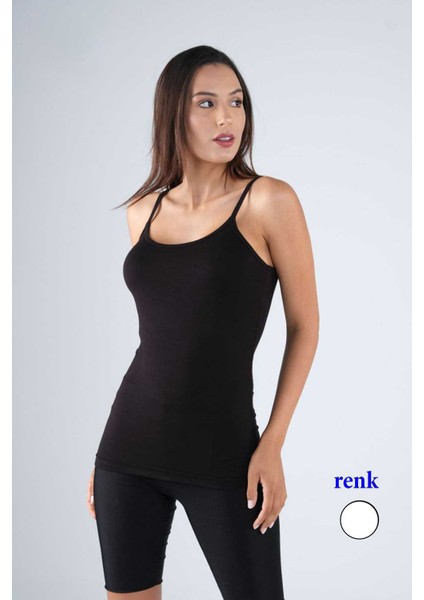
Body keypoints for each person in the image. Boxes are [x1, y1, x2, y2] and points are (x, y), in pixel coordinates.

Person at [86, 45, 319, 600]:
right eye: (207, 103)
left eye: (236, 102)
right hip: (128, 449)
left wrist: (272, 443)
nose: (226, 118)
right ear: (174, 113)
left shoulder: (268, 201)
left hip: (226, 455)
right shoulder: (143, 211)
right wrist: (106, 454)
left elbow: (305, 326)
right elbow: (159, 340)